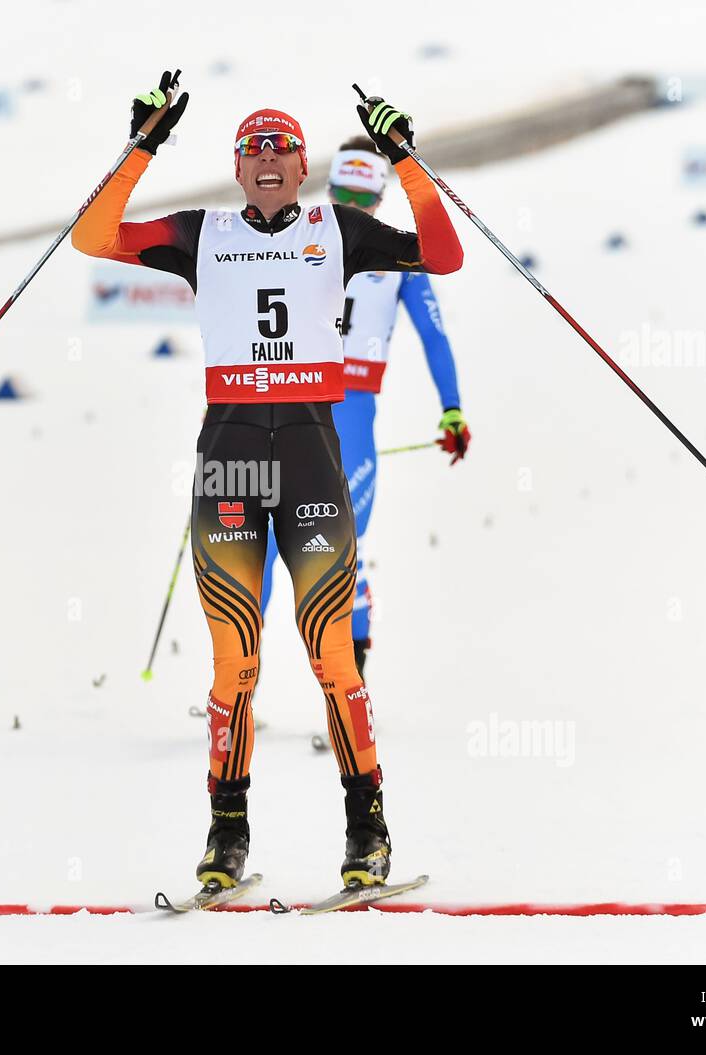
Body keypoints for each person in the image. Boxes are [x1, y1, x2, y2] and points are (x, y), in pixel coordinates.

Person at [72, 71, 464, 890]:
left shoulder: (341, 227)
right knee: (232, 666)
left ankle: (368, 828)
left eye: (283, 149)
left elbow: (444, 253)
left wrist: (405, 156)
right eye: (254, 152)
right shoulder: (199, 231)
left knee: (331, 656)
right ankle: (228, 830)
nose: (270, 162)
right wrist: (142, 145)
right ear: (239, 167)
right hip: (233, 456)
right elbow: (93, 235)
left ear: (301, 163)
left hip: (313, 457)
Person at [258, 137, 471, 681]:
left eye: (363, 196)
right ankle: (241, 687)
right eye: (342, 193)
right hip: (286, 408)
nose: (351, 208)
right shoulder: (292, 237)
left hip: (350, 418)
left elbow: (435, 336)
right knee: (255, 550)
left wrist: (452, 409)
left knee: (335, 552)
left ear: (380, 197)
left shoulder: (400, 256)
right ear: (328, 190)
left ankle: (350, 684)